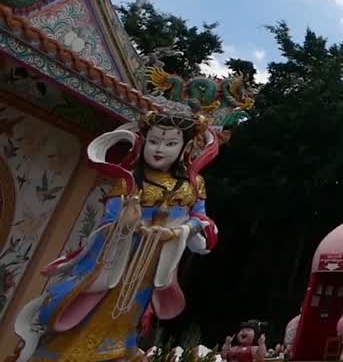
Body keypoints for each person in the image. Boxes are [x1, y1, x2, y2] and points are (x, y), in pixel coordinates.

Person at [11, 107, 219, 362]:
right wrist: (127, 223)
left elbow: (202, 220)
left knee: (131, 310)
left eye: (170, 144)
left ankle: (119, 347)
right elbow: (108, 220)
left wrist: (181, 230)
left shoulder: (194, 186)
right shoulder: (130, 180)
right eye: (153, 141)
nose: (159, 149)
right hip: (117, 259)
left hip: (152, 263)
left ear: (185, 149)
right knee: (96, 301)